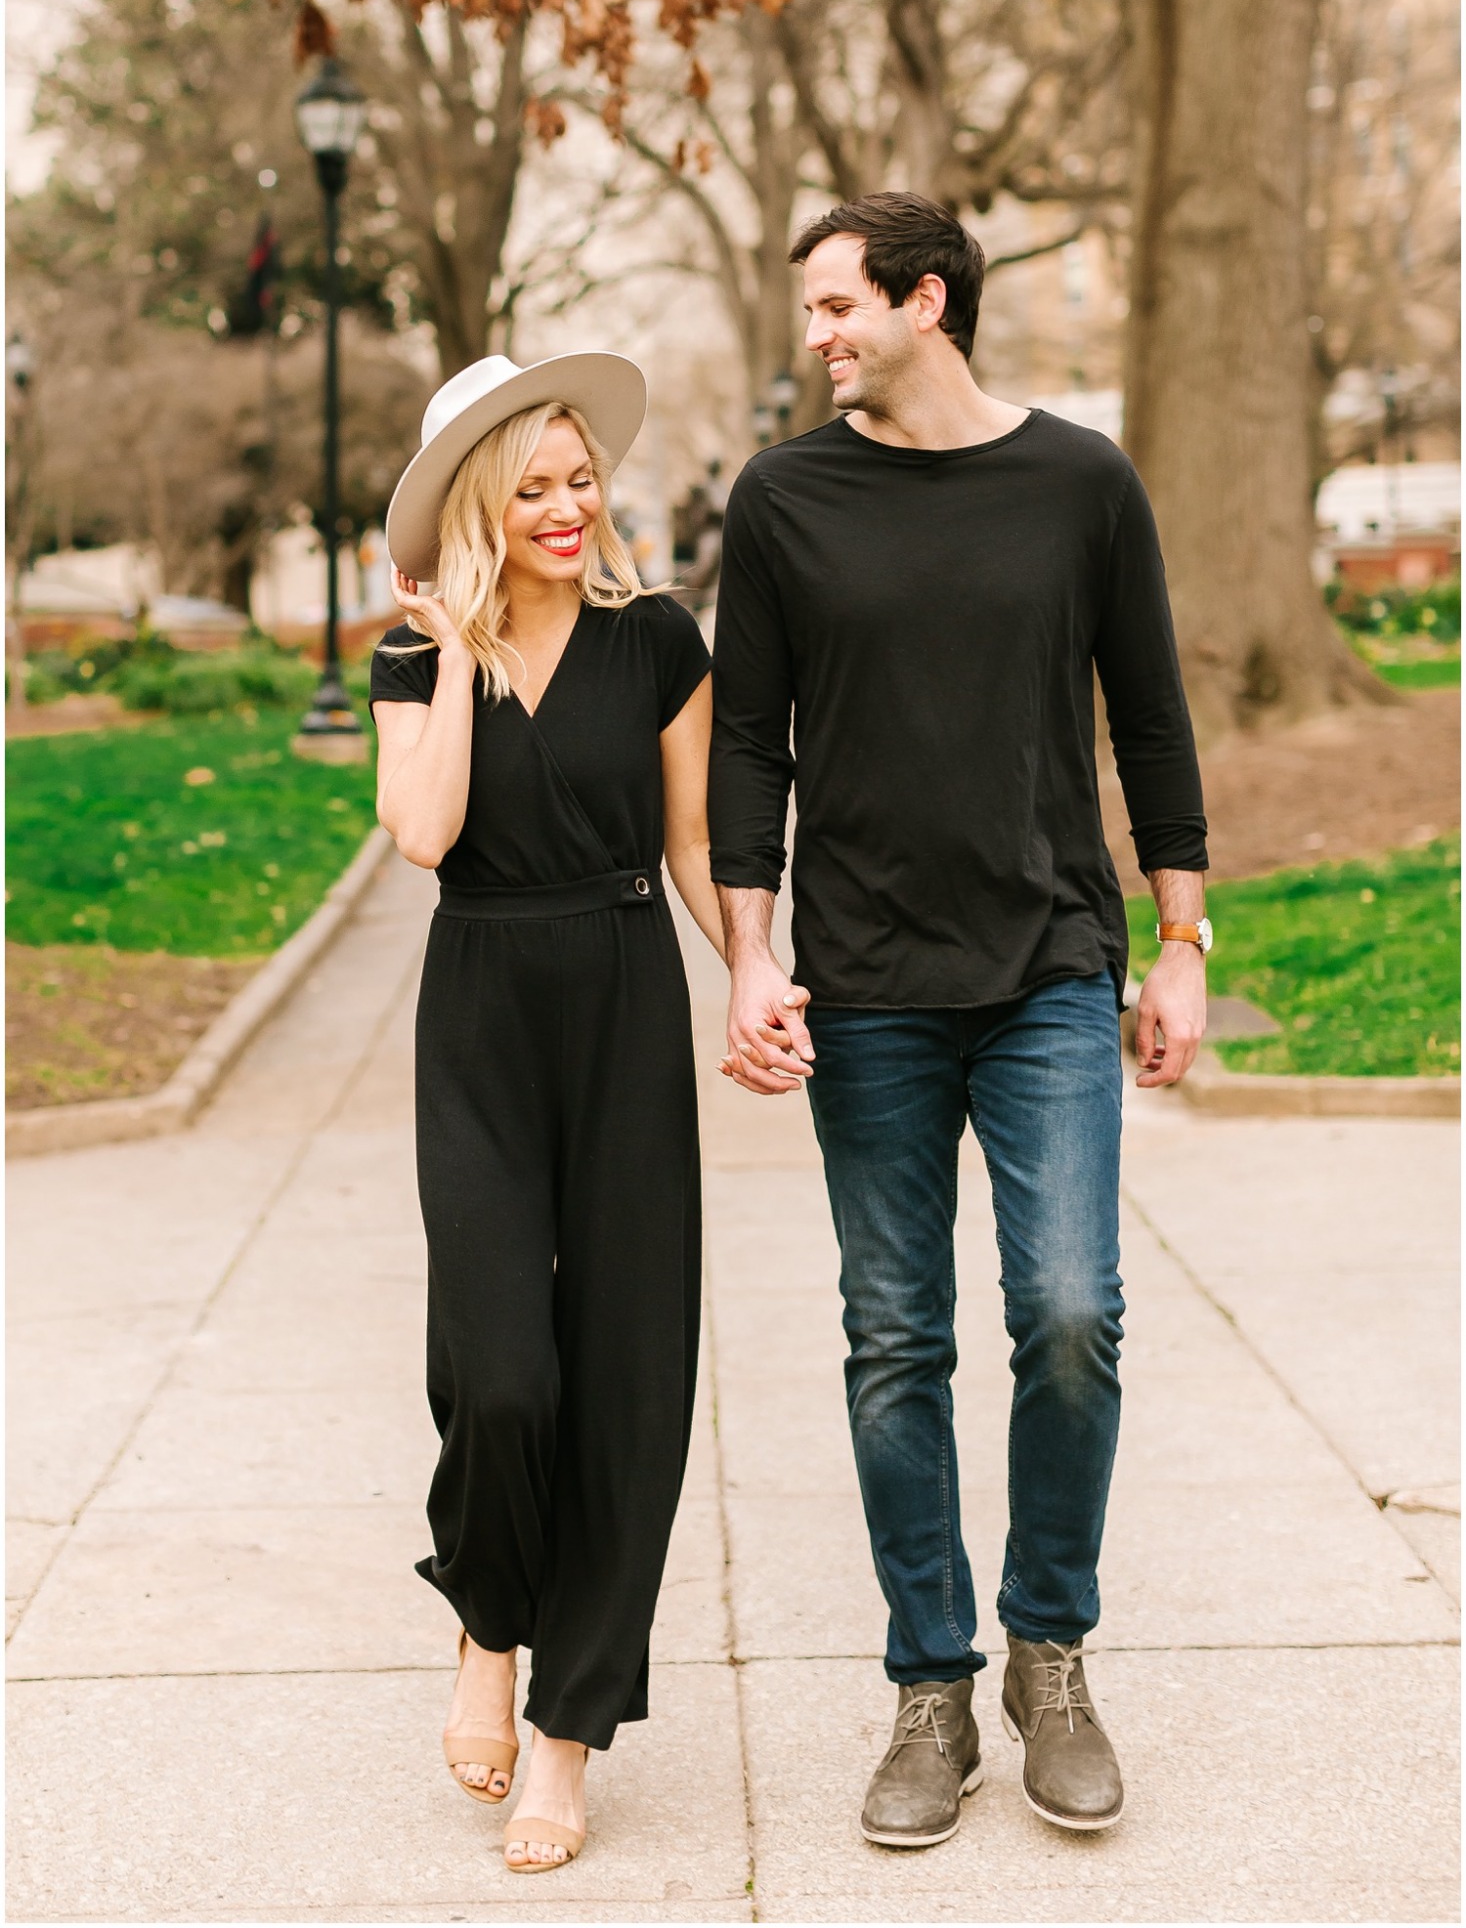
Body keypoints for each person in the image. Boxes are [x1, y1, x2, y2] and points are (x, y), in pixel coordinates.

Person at [708, 192, 1210, 1849]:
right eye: (811, 311)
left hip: (1048, 969)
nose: (819, 333)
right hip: (861, 989)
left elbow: (1147, 715)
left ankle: (1044, 1655)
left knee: (1070, 1312)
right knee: (891, 1341)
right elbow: (752, 746)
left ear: (930, 301)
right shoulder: (782, 498)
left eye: (841, 305)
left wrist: (1182, 939)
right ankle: (930, 1684)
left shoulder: (1080, 483)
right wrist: (750, 955)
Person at [370, 352, 761, 1873]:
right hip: (478, 1012)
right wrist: (455, 647)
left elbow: (687, 842)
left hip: (617, 1001)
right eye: (528, 485)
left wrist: (757, 979)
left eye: (577, 477)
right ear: (477, 500)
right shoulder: (416, 665)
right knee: (503, 1371)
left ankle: (567, 1736)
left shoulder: (657, 638)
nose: (564, 506)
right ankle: (486, 1618)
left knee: (623, 1376)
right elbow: (423, 835)